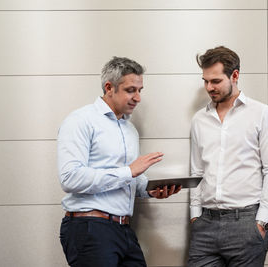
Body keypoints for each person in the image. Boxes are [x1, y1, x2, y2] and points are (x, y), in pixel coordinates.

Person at [57, 56, 181, 267]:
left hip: (123, 230)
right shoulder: (81, 121)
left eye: (140, 90)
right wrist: (129, 171)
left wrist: (149, 189)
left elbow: (128, 177)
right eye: (131, 90)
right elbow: (70, 178)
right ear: (109, 88)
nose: (138, 98)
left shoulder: (129, 129)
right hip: (89, 228)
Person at [188, 46, 268, 267]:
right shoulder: (199, 120)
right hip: (205, 225)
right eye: (205, 81)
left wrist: (263, 221)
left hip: (247, 224)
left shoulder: (261, 113)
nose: (209, 87)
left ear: (235, 76)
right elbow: (197, 171)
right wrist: (195, 216)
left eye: (215, 81)